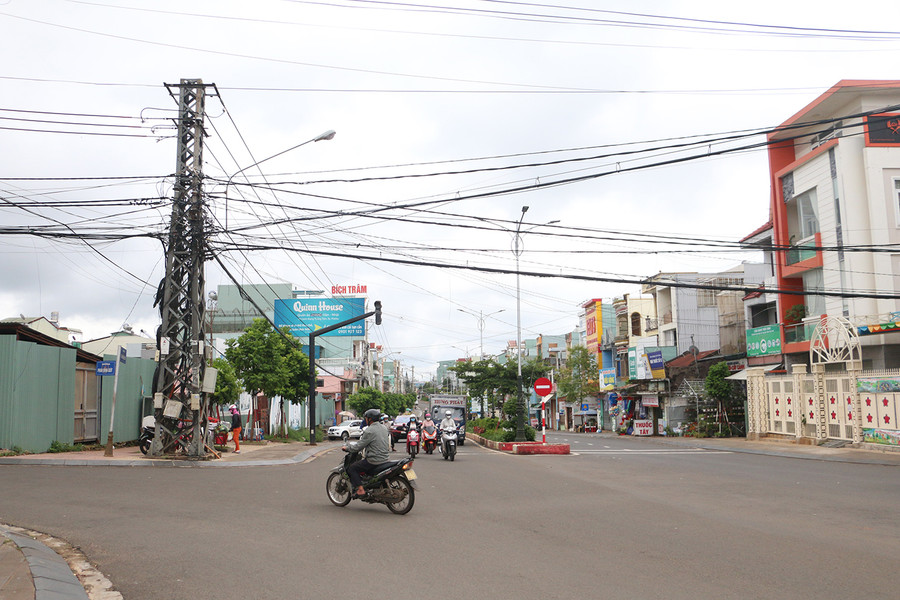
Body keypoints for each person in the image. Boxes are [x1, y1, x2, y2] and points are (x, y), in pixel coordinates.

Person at [343, 408, 391, 498]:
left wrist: (347, 448)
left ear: (370, 419)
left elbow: (359, 446)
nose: (365, 420)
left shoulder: (369, 431)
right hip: (385, 459)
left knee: (352, 468)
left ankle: (360, 490)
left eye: (366, 418)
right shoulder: (384, 428)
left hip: (374, 460)